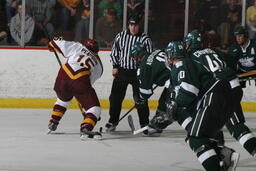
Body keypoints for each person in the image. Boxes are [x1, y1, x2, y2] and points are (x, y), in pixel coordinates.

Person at [184, 31, 256, 168]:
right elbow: (233, 65)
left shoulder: (190, 58)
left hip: (216, 91)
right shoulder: (213, 50)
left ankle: (222, 155)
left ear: (190, 44)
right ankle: (223, 153)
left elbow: (193, 83)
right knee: (237, 128)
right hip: (232, 87)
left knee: (200, 132)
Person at [165, 40, 239, 171]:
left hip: (214, 95)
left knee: (195, 139)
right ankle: (224, 154)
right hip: (222, 96)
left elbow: (189, 91)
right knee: (201, 136)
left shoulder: (182, 64)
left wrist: (176, 105)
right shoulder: (188, 65)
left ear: (171, 55)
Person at [129, 42, 193, 135]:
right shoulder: (156, 52)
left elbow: (146, 92)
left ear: (137, 57)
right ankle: (157, 126)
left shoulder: (143, 66)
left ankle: (195, 128)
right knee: (163, 104)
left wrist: (140, 99)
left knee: (172, 108)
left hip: (175, 81)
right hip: (180, 75)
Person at [47, 38, 103, 139]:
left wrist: (52, 44)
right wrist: (90, 114)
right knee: (94, 109)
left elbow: (53, 43)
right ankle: (86, 127)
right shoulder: (99, 65)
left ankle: (53, 121)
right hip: (80, 81)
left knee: (63, 100)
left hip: (62, 78)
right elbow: (87, 83)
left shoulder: (78, 46)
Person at [105, 15, 153, 134]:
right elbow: (115, 52)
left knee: (140, 99)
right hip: (122, 71)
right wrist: (115, 66)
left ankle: (144, 124)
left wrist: (147, 73)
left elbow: (150, 58)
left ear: (139, 25)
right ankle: (113, 121)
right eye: (131, 25)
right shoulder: (120, 36)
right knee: (115, 98)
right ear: (128, 25)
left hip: (138, 73)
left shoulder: (145, 39)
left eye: (135, 25)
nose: (133, 28)